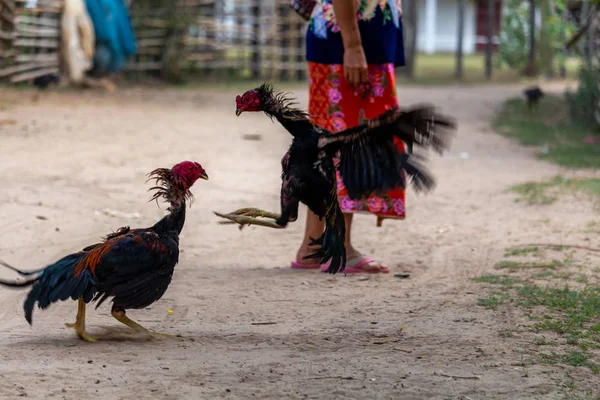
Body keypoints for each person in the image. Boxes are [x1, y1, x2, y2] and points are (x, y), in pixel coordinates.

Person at [291, 0, 406, 274]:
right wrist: (353, 46)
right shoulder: (352, 45)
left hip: (342, 43)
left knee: (332, 142)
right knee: (349, 142)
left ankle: (314, 246)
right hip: (349, 45)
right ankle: (337, 246)